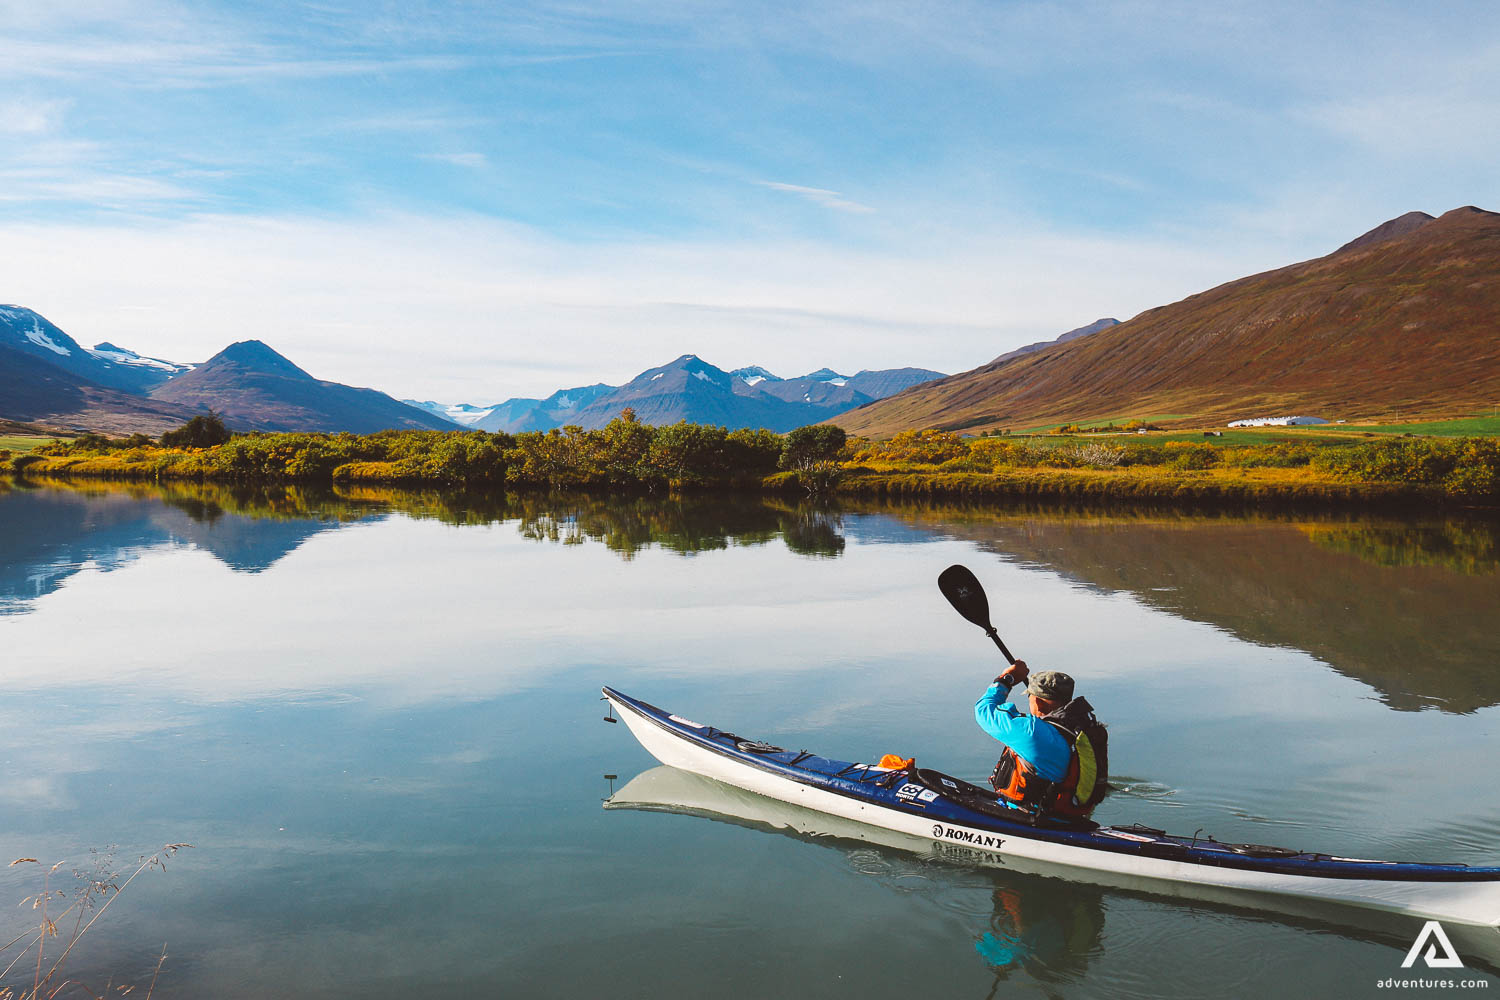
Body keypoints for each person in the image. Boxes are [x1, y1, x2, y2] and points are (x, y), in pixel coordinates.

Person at [974, 659, 1109, 822]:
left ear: (1037, 701)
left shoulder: (1032, 732)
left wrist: (1007, 678)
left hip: (1031, 819)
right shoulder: (1082, 727)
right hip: (1069, 816)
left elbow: (983, 711)